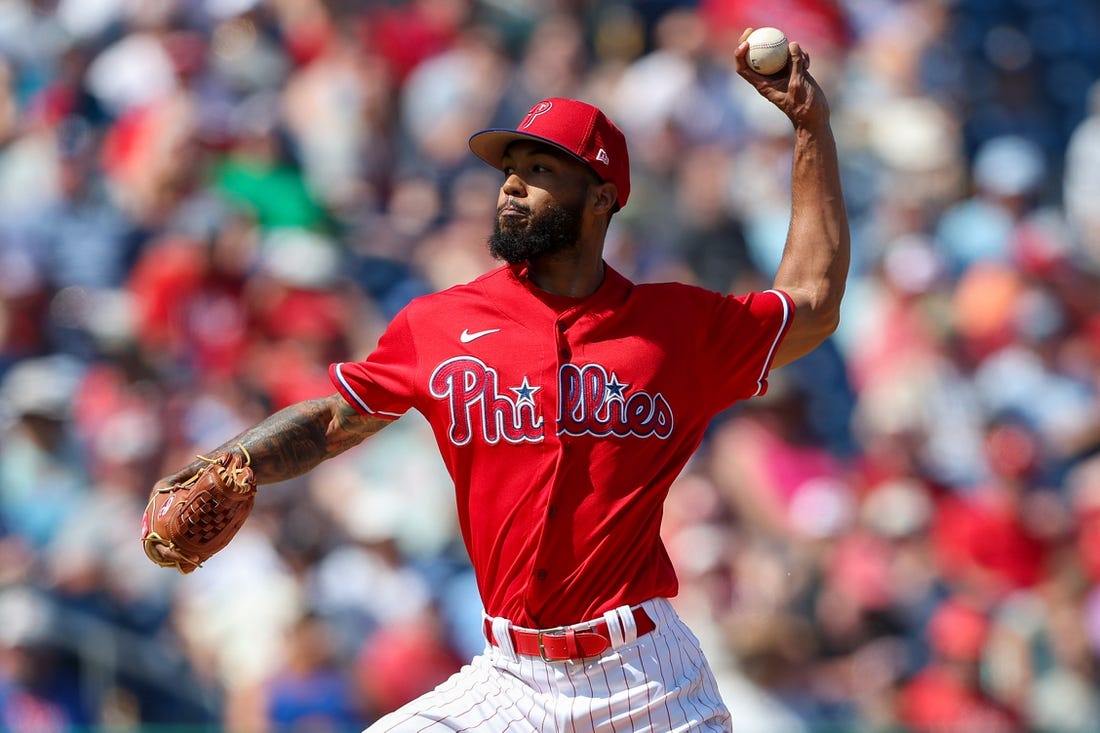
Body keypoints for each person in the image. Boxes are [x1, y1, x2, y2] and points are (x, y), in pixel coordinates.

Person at [147, 28, 849, 731]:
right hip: (509, 677)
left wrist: (810, 127)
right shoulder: (442, 322)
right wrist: (235, 460)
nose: (512, 182)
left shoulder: (675, 325)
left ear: (602, 198)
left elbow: (813, 302)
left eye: (541, 169)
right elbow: (335, 418)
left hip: (648, 679)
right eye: (510, 166)